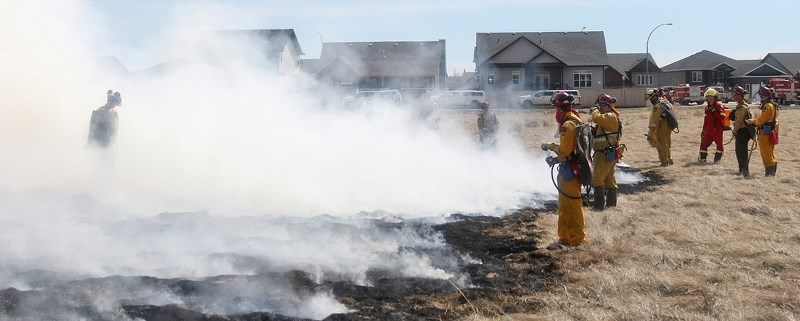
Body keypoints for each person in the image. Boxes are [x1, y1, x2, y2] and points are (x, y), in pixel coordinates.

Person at [541, 91, 585, 248]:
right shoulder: (575, 120)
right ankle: (565, 238)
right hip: (572, 169)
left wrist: (552, 153)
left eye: (556, 109)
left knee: (572, 205)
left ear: (560, 108)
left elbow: (565, 152)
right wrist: (552, 147)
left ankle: (577, 239)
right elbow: (570, 148)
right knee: (565, 205)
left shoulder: (568, 125)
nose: (555, 113)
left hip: (569, 172)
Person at [588, 94, 622, 210]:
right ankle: (611, 206)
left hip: (604, 154)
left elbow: (596, 117)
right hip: (607, 154)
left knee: (597, 179)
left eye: (600, 106)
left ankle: (598, 207)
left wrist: (594, 111)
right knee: (609, 180)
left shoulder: (610, 117)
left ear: (606, 105)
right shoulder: (609, 118)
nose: (599, 108)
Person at [745, 86, 779, 176]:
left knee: (766, 153)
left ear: (764, 96)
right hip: (772, 132)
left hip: (765, 133)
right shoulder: (774, 105)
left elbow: (760, 121)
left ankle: (769, 173)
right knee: (770, 152)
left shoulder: (767, 107)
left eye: (761, 96)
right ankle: (772, 172)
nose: (760, 97)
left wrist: (751, 121)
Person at [730, 86, 754, 177]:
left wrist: (734, 131)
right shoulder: (740, 105)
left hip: (743, 131)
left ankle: (744, 170)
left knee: (741, 151)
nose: (734, 96)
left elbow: (739, 121)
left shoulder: (742, 107)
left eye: (735, 94)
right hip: (741, 130)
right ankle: (742, 168)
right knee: (739, 151)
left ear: (740, 95)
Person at [646, 88, 673, 166]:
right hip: (668, 125)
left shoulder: (657, 106)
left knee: (661, 145)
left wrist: (650, 133)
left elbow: (654, 121)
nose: (651, 100)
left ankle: (664, 162)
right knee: (667, 143)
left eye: (651, 98)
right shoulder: (665, 102)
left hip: (661, 126)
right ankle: (670, 159)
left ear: (655, 96)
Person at [698, 88, 726, 163]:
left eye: (711, 96)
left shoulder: (718, 106)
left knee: (719, 145)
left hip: (717, 130)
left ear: (714, 97)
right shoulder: (707, 107)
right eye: (708, 97)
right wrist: (703, 129)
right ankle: (703, 159)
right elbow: (706, 120)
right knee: (703, 144)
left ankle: (717, 160)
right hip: (709, 129)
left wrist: (715, 113)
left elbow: (723, 116)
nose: (709, 98)